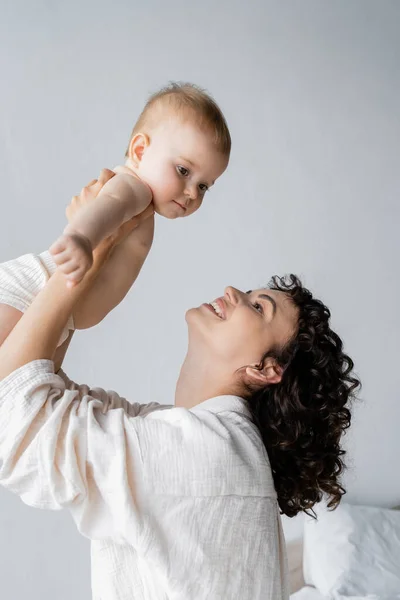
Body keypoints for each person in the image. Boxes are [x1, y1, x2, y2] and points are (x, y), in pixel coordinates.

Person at [0, 173, 360, 600]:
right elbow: (35, 384)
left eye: (258, 306)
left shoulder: (205, 453)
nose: (233, 292)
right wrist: (95, 247)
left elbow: (15, 413)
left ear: (265, 369)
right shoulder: (204, 440)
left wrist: (84, 254)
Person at [0, 82, 230, 347]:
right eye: (183, 170)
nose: (192, 192)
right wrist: (81, 238)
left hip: (51, 308)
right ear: (140, 151)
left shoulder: (143, 202)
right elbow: (110, 204)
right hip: (31, 292)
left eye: (203, 186)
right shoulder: (134, 188)